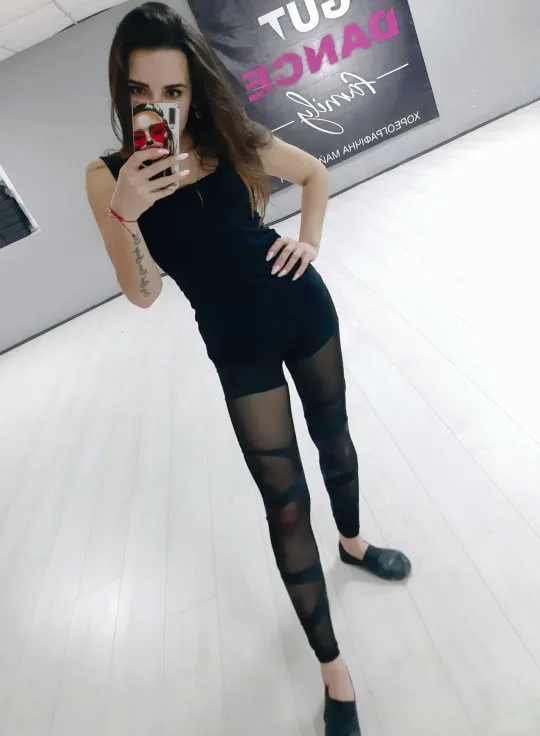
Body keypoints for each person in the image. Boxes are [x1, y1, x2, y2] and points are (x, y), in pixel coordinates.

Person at [86, 3, 411, 734]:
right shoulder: (107, 179)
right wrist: (126, 213)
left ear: (194, 89)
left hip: (301, 306)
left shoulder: (228, 136)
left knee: (336, 439)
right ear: (122, 90)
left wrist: (310, 241)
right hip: (237, 348)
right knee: (284, 504)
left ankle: (354, 544)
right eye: (141, 92)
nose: (158, 107)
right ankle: (334, 668)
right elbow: (143, 294)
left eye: (173, 91)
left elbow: (314, 173)